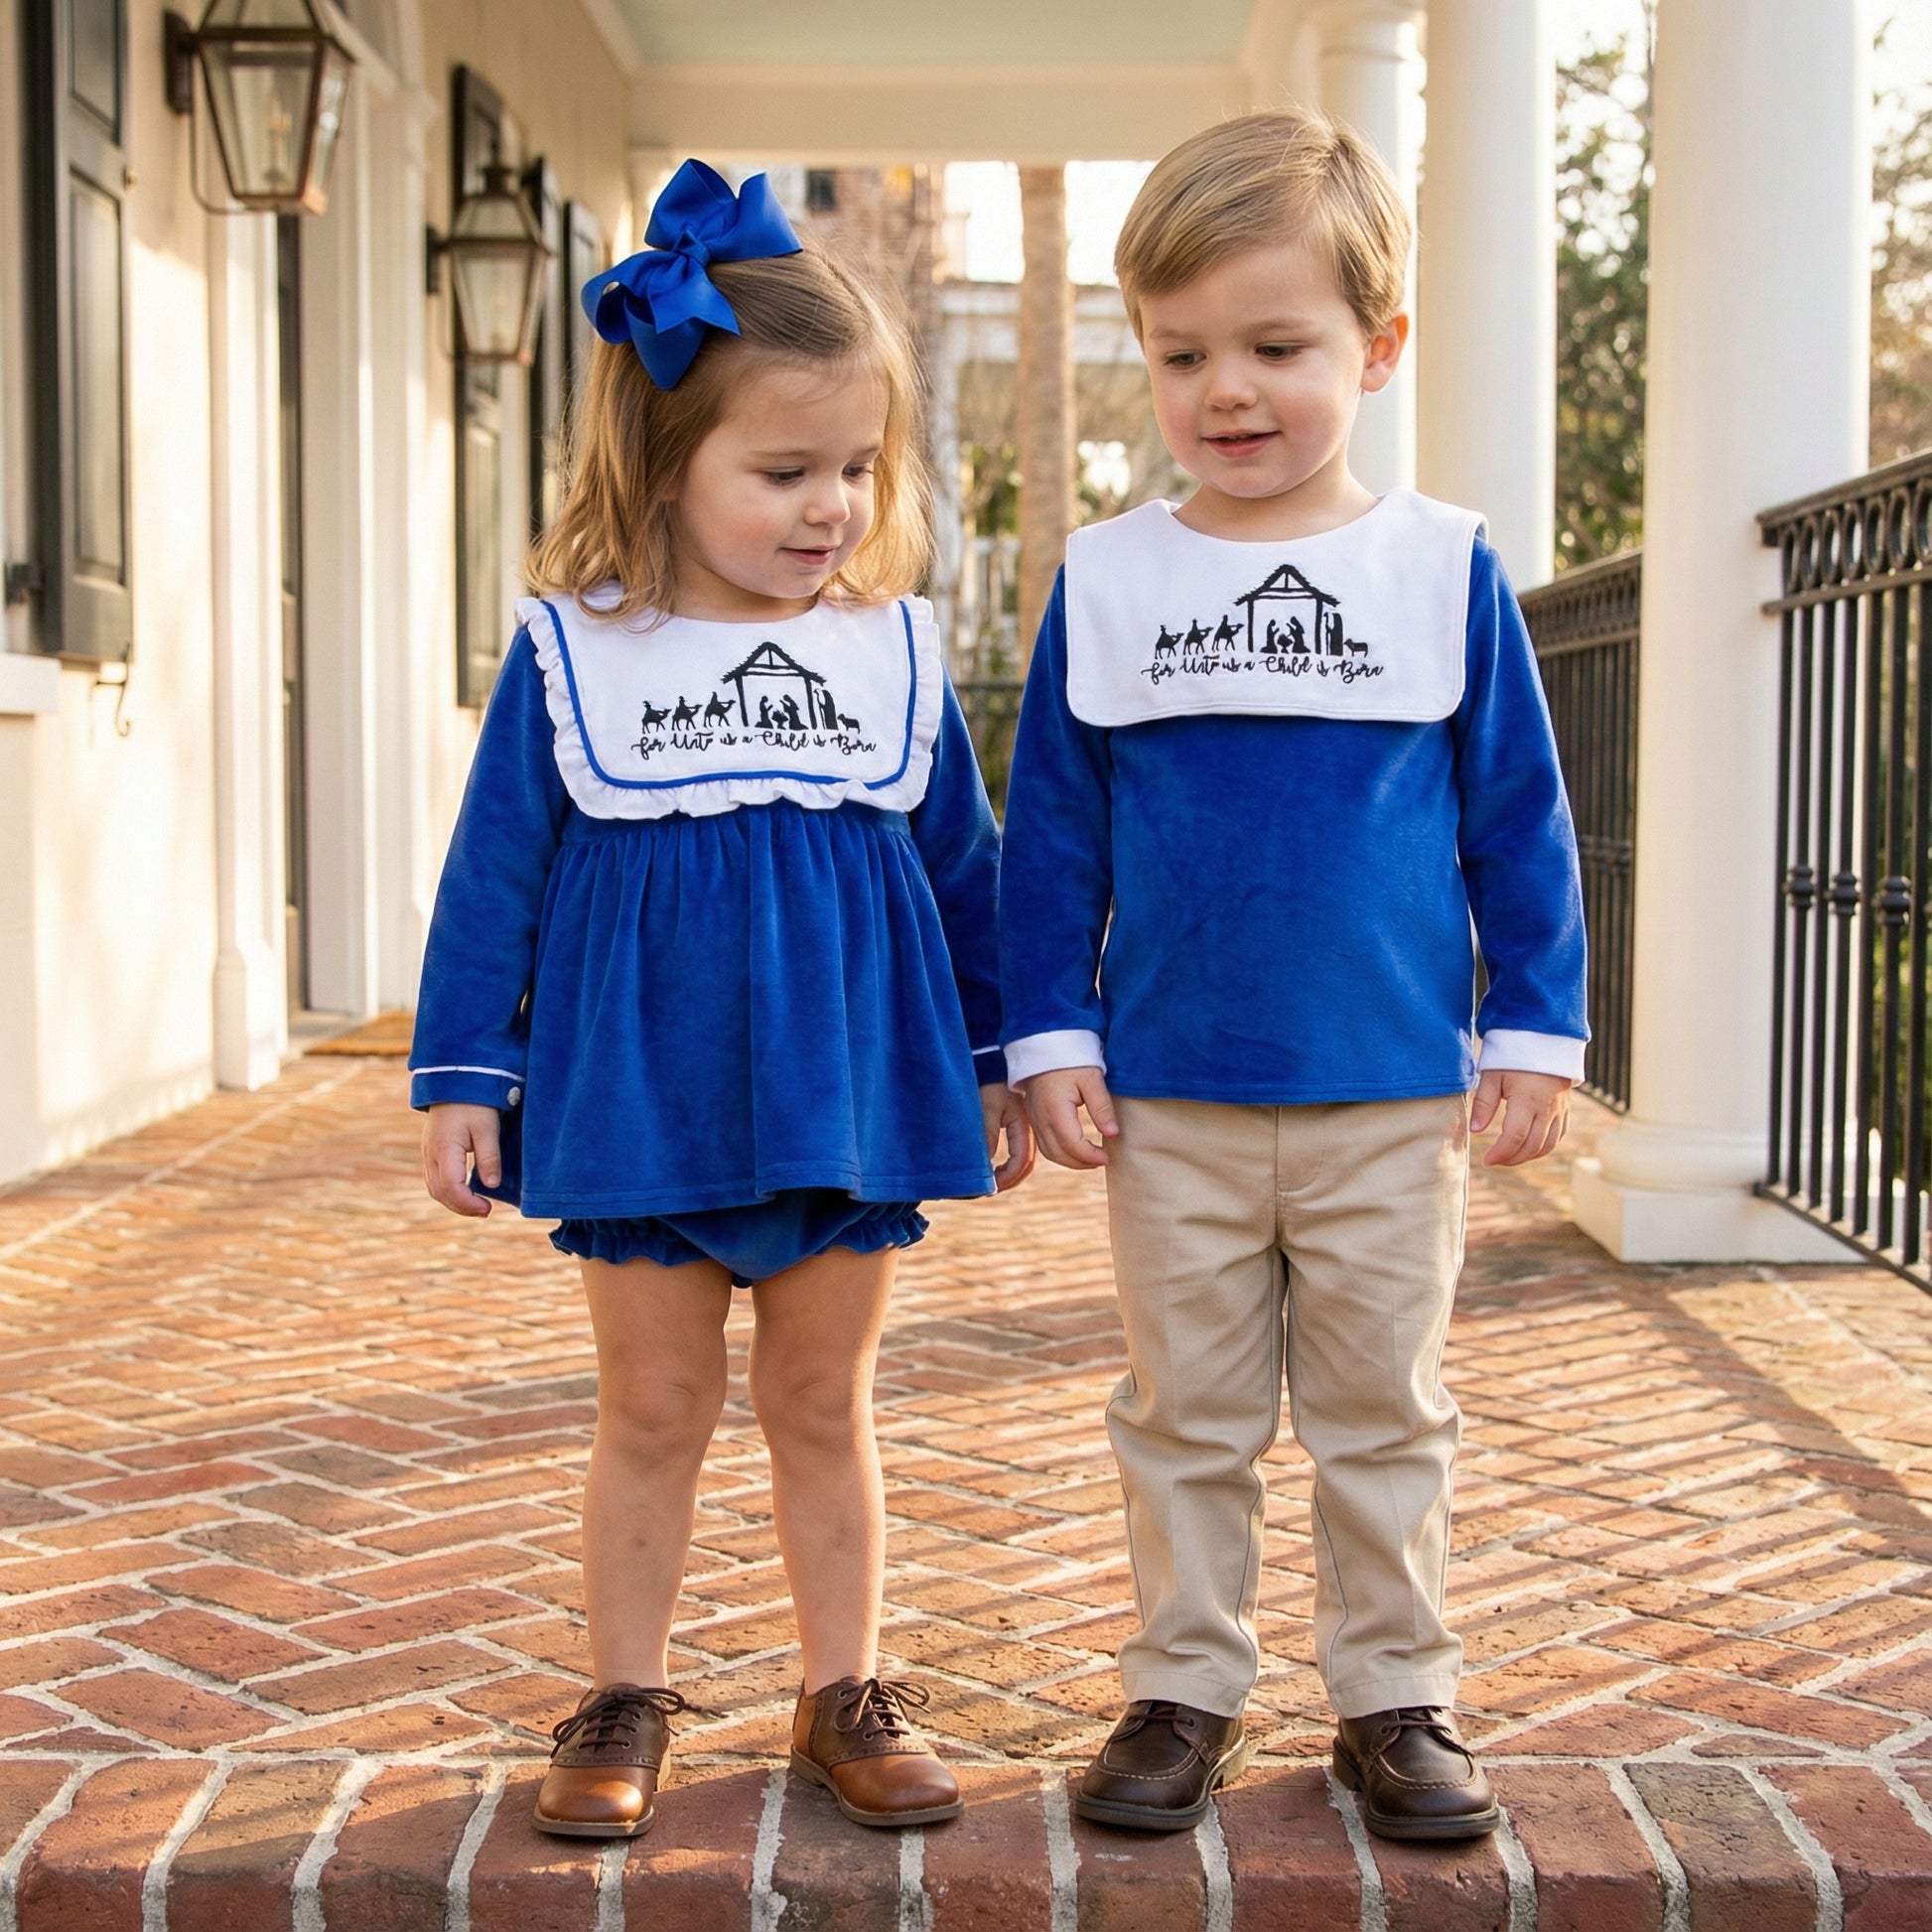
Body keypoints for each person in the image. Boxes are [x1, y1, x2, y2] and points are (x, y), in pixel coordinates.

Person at [410, 160, 1031, 1842]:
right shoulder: (576, 652)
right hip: (641, 1092)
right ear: (667, 460)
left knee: (822, 1403)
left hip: (845, 1088)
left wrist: (995, 1058)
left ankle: (845, 1691)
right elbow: (495, 874)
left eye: (856, 466)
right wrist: (464, 1073)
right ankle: (621, 1690)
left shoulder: (889, 651)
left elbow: (965, 875)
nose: (831, 505)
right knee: (654, 1407)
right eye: (784, 470)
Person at [999, 109, 1587, 1843]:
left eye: (1275, 346)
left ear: (1376, 347)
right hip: (1168, 1094)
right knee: (1182, 1411)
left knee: (1381, 1411)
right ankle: (1182, 1684)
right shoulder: (1109, 579)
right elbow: (1054, 834)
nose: (1226, 390)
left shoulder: (1442, 567)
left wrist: (1532, 1028)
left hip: (1388, 1093)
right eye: (1181, 353)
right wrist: (1049, 1033)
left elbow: (1517, 819)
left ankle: (1393, 1694)